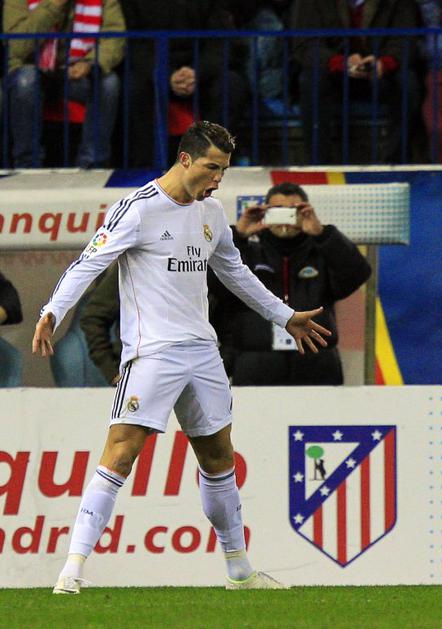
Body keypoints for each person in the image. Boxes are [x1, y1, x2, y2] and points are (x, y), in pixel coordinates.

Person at [32, 121, 331, 593]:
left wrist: (285, 315)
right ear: (185, 159)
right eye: (212, 167)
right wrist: (52, 310)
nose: (218, 179)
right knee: (120, 452)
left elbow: (236, 273)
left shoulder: (211, 212)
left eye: (224, 170)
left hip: (203, 352)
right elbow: (89, 262)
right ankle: (72, 569)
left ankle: (240, 572)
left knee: (218, 457)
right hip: (152, 353)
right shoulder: (138, 209)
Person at [209, 182, 371, 385]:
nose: (285, 217)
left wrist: (322, 234)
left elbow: (357, 274)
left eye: (293, 211)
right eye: (277, 210)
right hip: (255, 362)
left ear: (305, 212)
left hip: (317, 362)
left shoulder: (321, 251)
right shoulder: (245, 253)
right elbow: (212, 284)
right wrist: (238, 235)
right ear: (265, 213)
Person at [290, 0, 423, 164]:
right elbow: (306, 45)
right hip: (334, 72)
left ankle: (394, 163)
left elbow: (405, 40)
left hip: (379, 72)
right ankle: (319, 163)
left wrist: (384, 63)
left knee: (407, 82)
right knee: (311, 80)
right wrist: (340, 62)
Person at [120, 0, 249, 167]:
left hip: (200, 71)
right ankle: (144, 167)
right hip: (155, 71)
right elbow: (135, 46)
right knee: (133, 88)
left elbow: (219, 43)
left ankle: (213, 160)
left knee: (232, 86)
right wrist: (166, 75)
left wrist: (197, 72)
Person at [4, 0, 125, 168]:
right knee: (26, 80)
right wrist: (53, 6)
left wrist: (90, 63)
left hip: (76, 72)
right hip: (32, 71)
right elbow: (17, 47)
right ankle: (27, 164)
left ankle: (92, 164)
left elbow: (114, 38)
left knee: (108, 83)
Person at [80, 263, 121, 386]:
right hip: (139, 373)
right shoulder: (134, 262)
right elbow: (93, 317)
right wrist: (111, 371)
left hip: (173, 368)